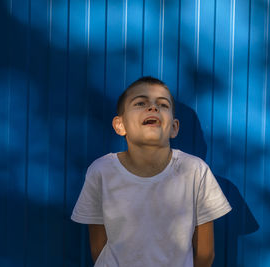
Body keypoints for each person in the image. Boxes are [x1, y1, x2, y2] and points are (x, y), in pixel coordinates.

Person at [71, 76, 232, 267]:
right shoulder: (101, 171)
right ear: (119, 125)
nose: (153, 108)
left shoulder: (195, 171)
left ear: (174, 128)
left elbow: (205, 254)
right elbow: (98, 246)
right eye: (140, 103)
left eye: (163, 105)